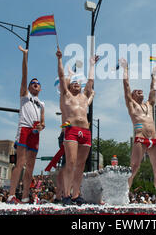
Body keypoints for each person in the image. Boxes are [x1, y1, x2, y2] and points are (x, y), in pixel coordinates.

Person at [120, 58, 156, 204]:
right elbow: (126, 86)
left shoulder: (149, 105)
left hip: (155, 139)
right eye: (136, 91)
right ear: (132, 96)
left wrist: (153, 76)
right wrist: (125, 69)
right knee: (134, 167)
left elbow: (153, 90)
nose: (140, 91)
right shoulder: (131, 105)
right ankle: (123, 196)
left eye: (141, 90)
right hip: (140, 138)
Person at [56, 47, 97, 205]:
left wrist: (92, 64)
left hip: (85, 131)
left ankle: (75, 194)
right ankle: (66, 194)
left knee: (80, 165)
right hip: (71, 130)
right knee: (70, 163)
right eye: (73, 83)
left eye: (77, 83)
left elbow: (91, 82)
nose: (76, 85)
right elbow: (61, 76)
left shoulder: (84, 97)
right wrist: (60, 59)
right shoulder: (66, 96)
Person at [8, 46, 45, 204]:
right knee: (20, 163)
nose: (35, 84)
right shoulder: (25, 96)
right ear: (29, 87)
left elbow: (43, 123)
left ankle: (24, 196)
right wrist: (25, 57)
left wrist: (40, 127)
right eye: (33, 83)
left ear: (40, 88)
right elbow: (24, 76)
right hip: (24, 129)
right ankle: (10, 195)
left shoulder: (42, 103)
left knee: (30, 167)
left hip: (35, 134)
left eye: (37, 83)